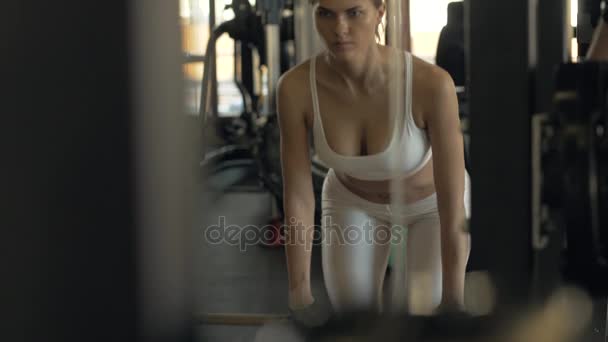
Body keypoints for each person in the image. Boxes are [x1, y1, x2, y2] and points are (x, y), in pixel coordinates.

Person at [276, 0, 471, 323]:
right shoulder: (295, 88)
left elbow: (452, 205)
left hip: (432, 208)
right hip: (352, 201)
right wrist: (299, 294)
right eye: (326, 13)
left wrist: (453, 302)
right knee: (355, 322)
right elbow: (297, 196)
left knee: (423, 315)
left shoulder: (431, 84)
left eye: (354, 13)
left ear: (380, 12)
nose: (339, 28)